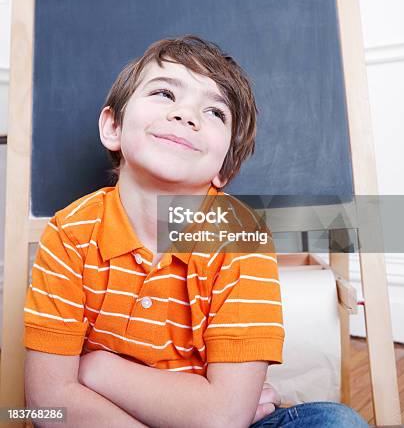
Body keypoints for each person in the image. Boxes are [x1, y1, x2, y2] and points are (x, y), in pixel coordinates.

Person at [24, 35, 367, 427]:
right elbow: (46, 403)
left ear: (224, 168)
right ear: (113, 126)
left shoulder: (240, 238)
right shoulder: (69, 233)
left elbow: (222, 417)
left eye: (215, 113)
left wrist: (95, 368)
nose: (187, 115)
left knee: (336, 421)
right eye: (165, 93)